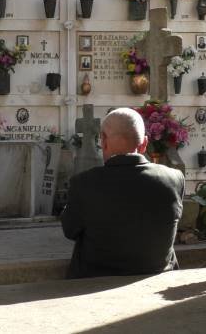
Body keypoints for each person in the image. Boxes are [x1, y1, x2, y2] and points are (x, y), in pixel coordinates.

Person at [61, 108, 185, 279]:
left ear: (103, 140)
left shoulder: (84, 183)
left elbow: (70, 230)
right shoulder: (174, 178)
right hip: (157, 278)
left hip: (95, 283)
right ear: (144, 143)